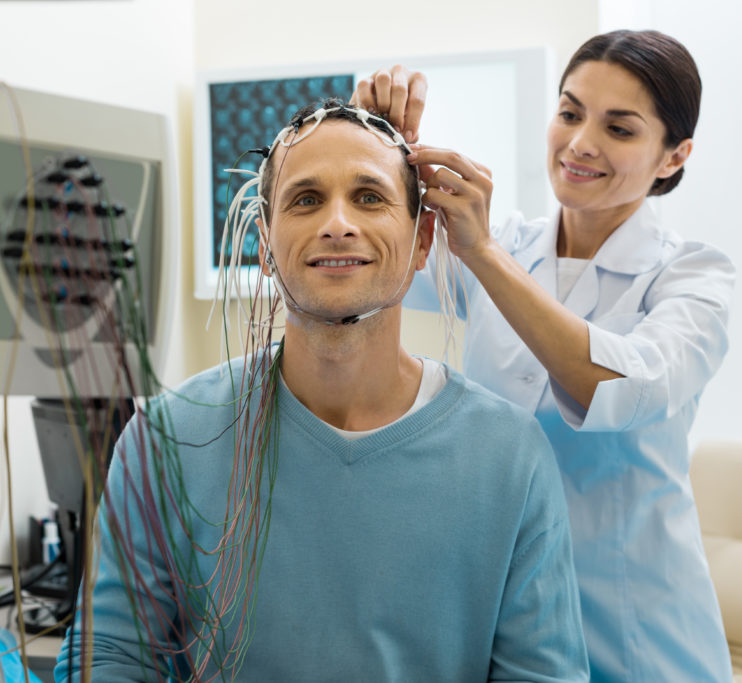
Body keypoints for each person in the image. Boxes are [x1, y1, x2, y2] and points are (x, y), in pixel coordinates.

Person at [54, 99, 589, 681]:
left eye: (369, 197)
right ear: (264, 242)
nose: (338, 223)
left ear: (422, 241)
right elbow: (109, 659)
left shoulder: (509, 457)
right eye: (306, 200)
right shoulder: (167, 439)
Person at [354, 30, 735, 682]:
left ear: (674, 156)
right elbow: (369, 266)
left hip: (636, 629)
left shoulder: (694, 277)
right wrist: (379, 145)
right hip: (504, 616)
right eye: (569, 112)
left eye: (619, 128)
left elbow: (621, 385)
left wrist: (484, 256)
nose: (582, 142)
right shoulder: (506, 245)